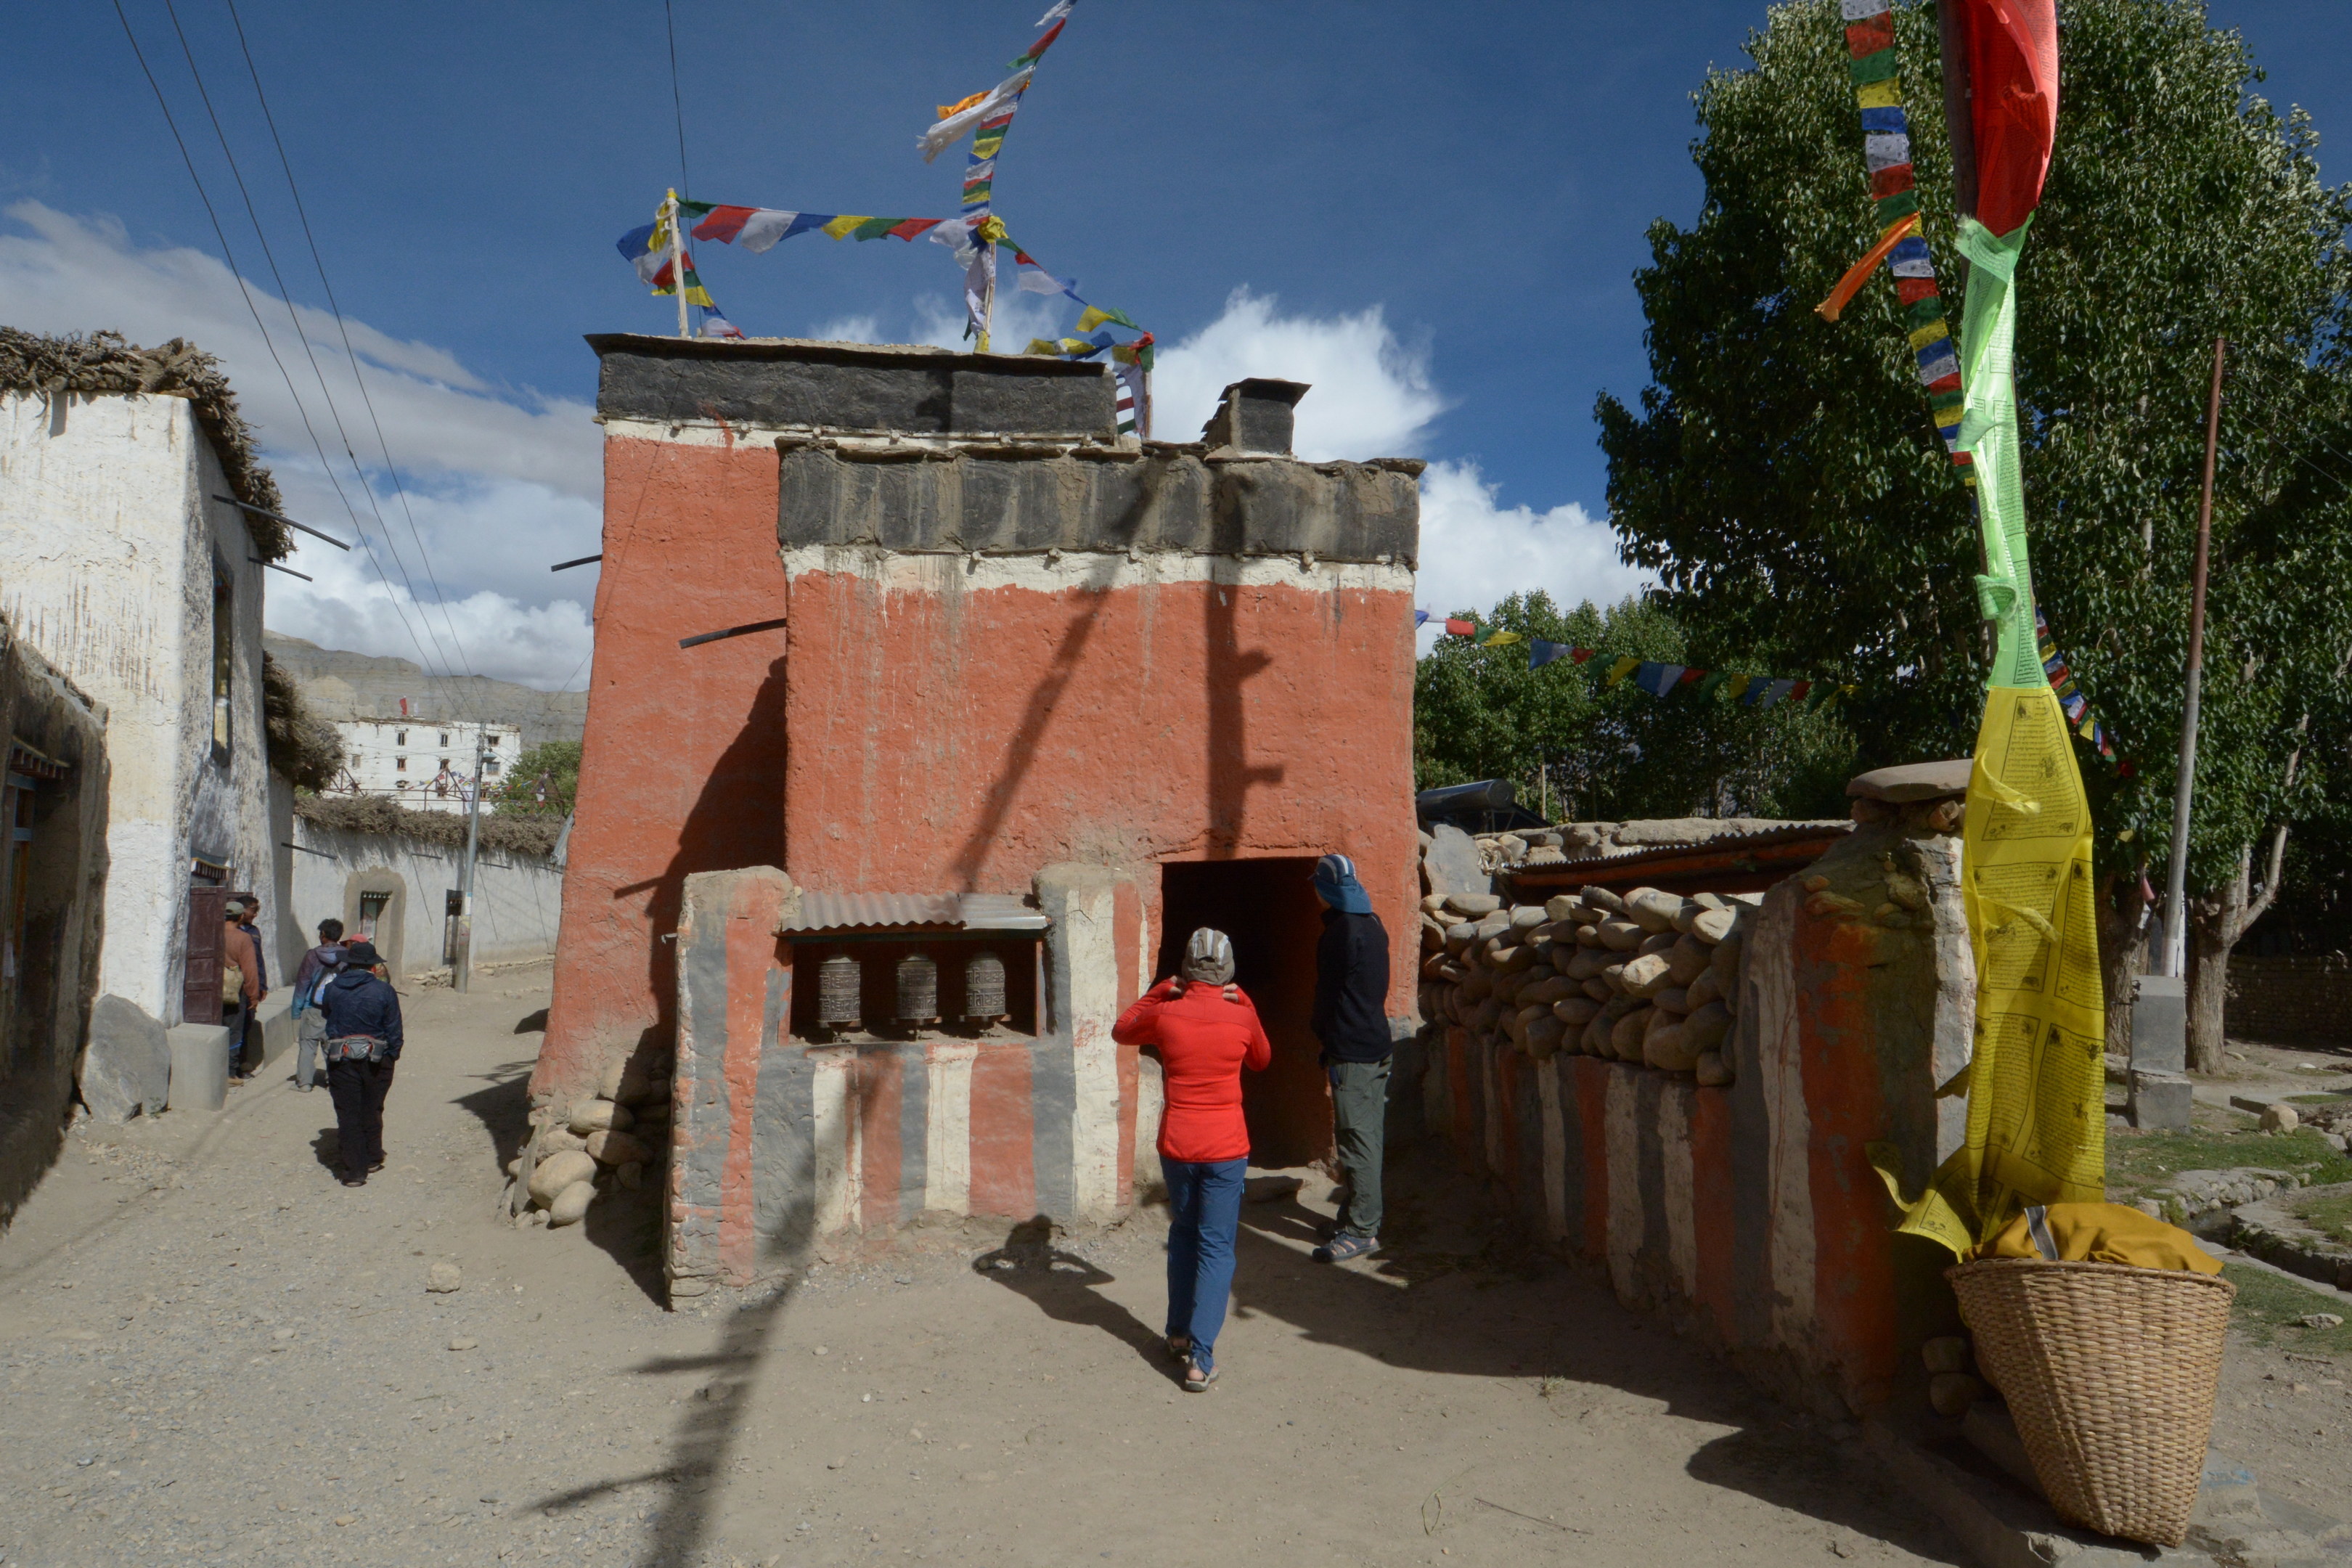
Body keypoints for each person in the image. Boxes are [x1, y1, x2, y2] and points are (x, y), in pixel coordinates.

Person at [1111, 928, 1270, 1392]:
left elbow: (1122, 1029)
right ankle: (1201, 1359)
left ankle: (1178, 1334)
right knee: (1216, 1247)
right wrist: (1247, 1004)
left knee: (1183, 1234)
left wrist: (1161, 990)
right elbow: (1262, 1060)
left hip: (1179, 1144)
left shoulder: (1166, 1013)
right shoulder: (1240, 1017)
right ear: (1228, 971)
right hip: (1227, 1148)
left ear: (1186, 968)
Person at [1309, 853, 1391, 1264]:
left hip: (1352, 1053)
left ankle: (1362, 1231)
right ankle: (1353, 1217)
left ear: (1325, 891)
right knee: (1368, 1137)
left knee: (1357, 1144)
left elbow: (1329, 994)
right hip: (1376, 1044)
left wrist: (1322, 1034)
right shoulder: (1373, 924)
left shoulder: (1339, 933)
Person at [319, 940, 401, 1188]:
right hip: (377, 1060)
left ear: (349, 964)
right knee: (373, 1107)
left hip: (341, 1059)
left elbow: (328, 1016)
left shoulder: (332, 989)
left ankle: (354, 1171)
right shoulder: (384, 991)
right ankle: (373, 1157)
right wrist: (391, 1056)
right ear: (373, 967)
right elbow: (394, 1030)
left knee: (348, 1114)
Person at [289, 919, 347, 1092]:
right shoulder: (347, 956)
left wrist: (296, 1011)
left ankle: (305, 1083)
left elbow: (302, 985)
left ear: (323, 935)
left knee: (307, 1046)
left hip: (312, 1008)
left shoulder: (312, 956)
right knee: (333, 1046)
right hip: (337, 1010)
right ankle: (333, 1082)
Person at [219, 897, 268, 1083]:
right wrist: (253, 996)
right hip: (235, 988)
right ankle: (230, 1072)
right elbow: (250, 970)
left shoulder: (213, 933)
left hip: (213, 988)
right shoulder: (243, 937)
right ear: (240, 917)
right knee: (235, 1030)